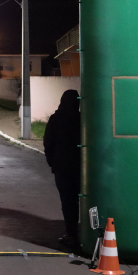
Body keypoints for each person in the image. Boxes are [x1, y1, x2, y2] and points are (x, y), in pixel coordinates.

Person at [43, 90, 81, 248]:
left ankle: (71, 233)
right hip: (81, 167)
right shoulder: (81, 119)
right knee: (84, 199)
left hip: (62, 167)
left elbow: (48, 142)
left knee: (68, 201)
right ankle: (88, 232)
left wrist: (52, 162)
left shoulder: (56, 119)